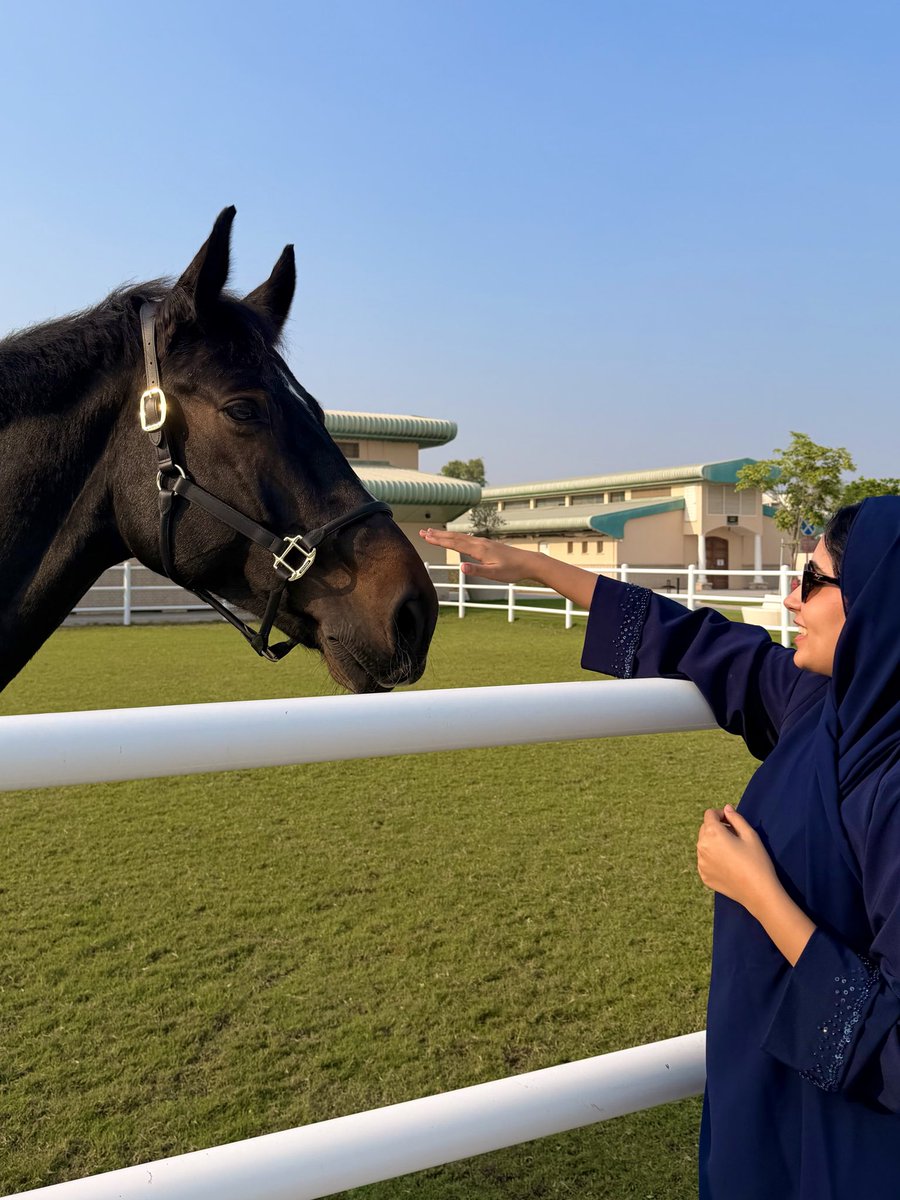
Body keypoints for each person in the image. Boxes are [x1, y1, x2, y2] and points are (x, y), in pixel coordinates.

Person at [420, 496, 900, 1200]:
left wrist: (759, 893)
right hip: (764, 1080)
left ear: (880, 605)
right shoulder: (822, 705)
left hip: (848, 1133)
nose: (791, 598)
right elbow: (696, 642)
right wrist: (538, 567)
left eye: (814, 580)